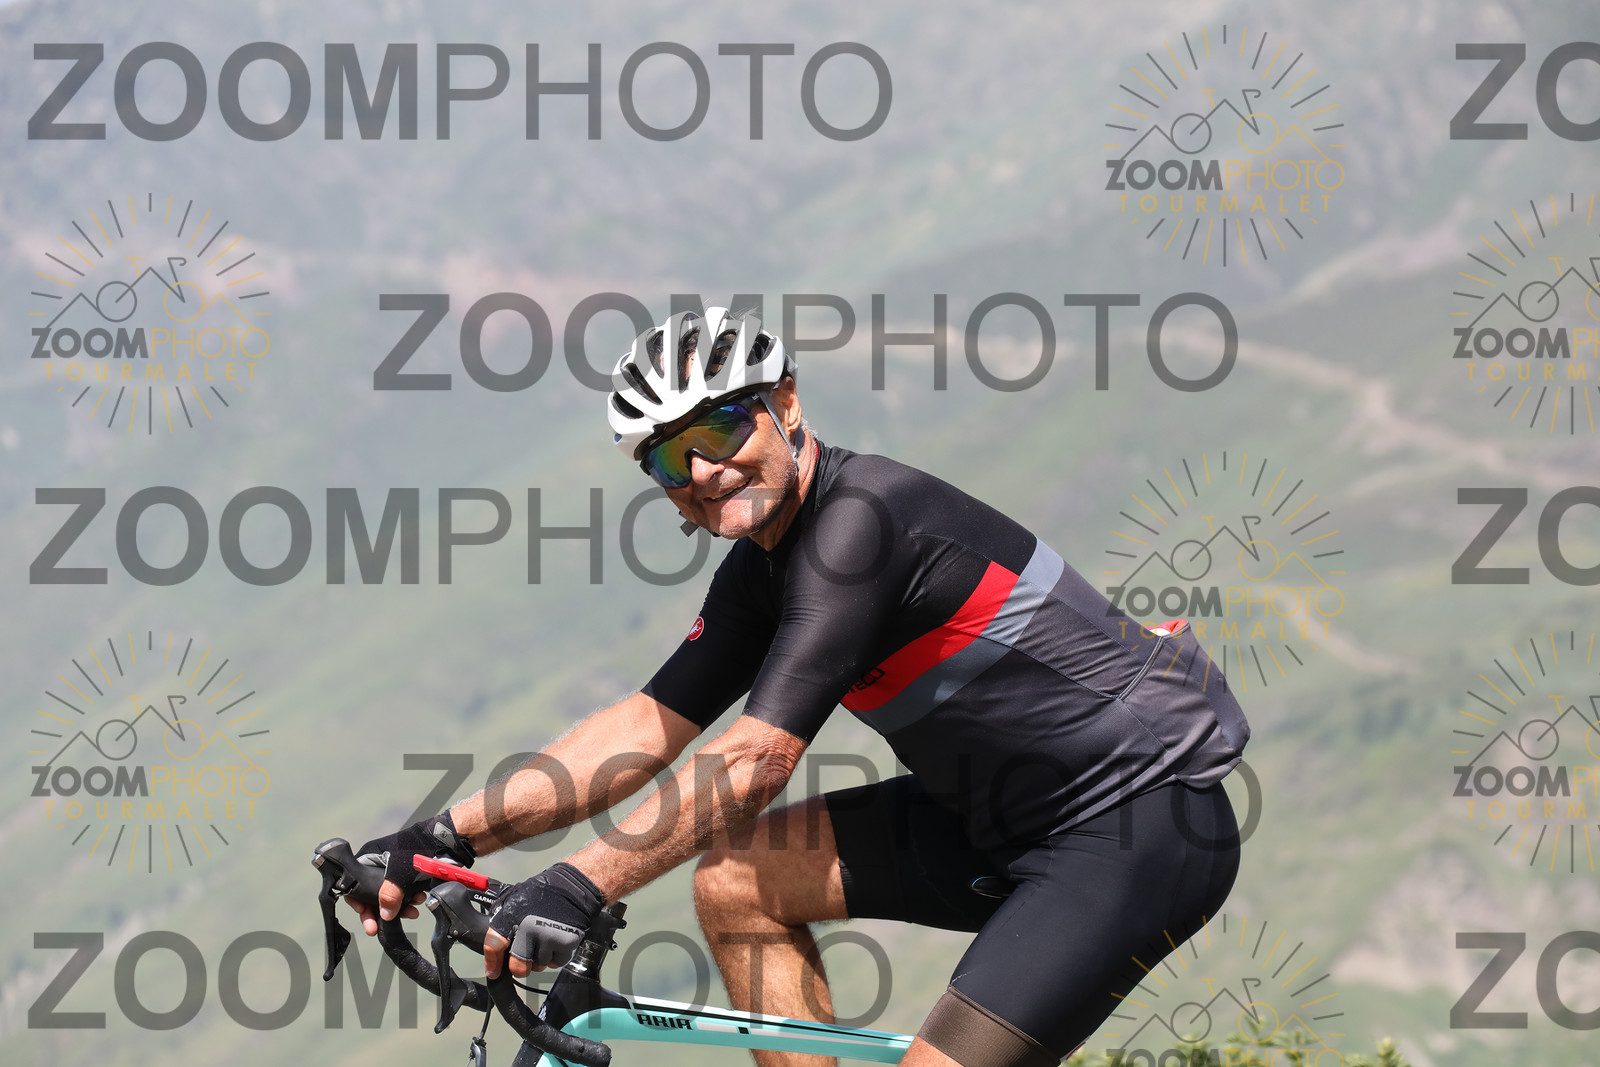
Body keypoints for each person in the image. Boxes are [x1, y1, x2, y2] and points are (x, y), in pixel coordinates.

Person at [348, 306, 1250, 1067]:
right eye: (670, 459)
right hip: (990, 816)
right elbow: (644, 727)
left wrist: (580, 883)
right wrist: (441, 835)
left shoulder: (864, 521)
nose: (704, 472)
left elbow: (755, 760)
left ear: (786, 404)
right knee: (738, 881)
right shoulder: (762, 566)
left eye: (719, 430)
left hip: (1131, 822)